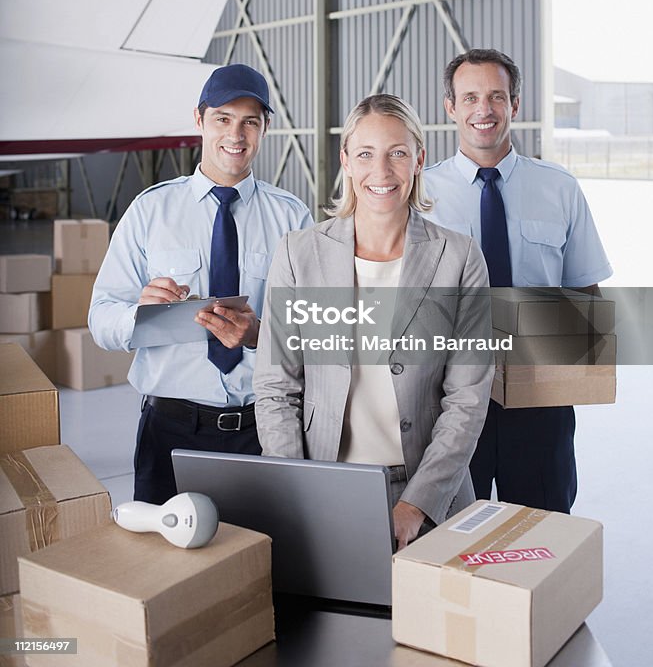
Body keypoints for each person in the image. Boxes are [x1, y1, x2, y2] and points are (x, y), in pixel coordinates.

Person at [254, 94, 493, 549]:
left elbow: (467, 397)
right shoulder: (298, 252)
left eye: (397, 153)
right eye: (365, 154)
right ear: (345, 160)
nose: (381, 172)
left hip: (433, 496)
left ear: (419, 159)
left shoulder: (459, 258)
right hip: (326, 490)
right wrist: (300, 489)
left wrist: (416, 505)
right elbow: (275, 388)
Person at [89, 64, 313, 504]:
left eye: (250, 121)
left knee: (265, 564)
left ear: (266, 127)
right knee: (168, 566)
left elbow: (315, 331)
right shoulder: (150, 211)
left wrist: (258, 335)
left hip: (262, 429)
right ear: (199, 120)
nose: (237, 134)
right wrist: (140, 314)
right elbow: (101, 319)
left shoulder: (292, 219)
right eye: (223, 119)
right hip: (170, 432)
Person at [424, 48, 612, 513]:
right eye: (469, 98)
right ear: (450, 107)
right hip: (448, 400)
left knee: (542, 528)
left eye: (495, 96)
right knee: (448, 534)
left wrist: (583, 366)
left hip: (540, 400)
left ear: (515, 105)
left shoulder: (559, 188)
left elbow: (586, 293)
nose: (483, 110)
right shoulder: (420, 194)